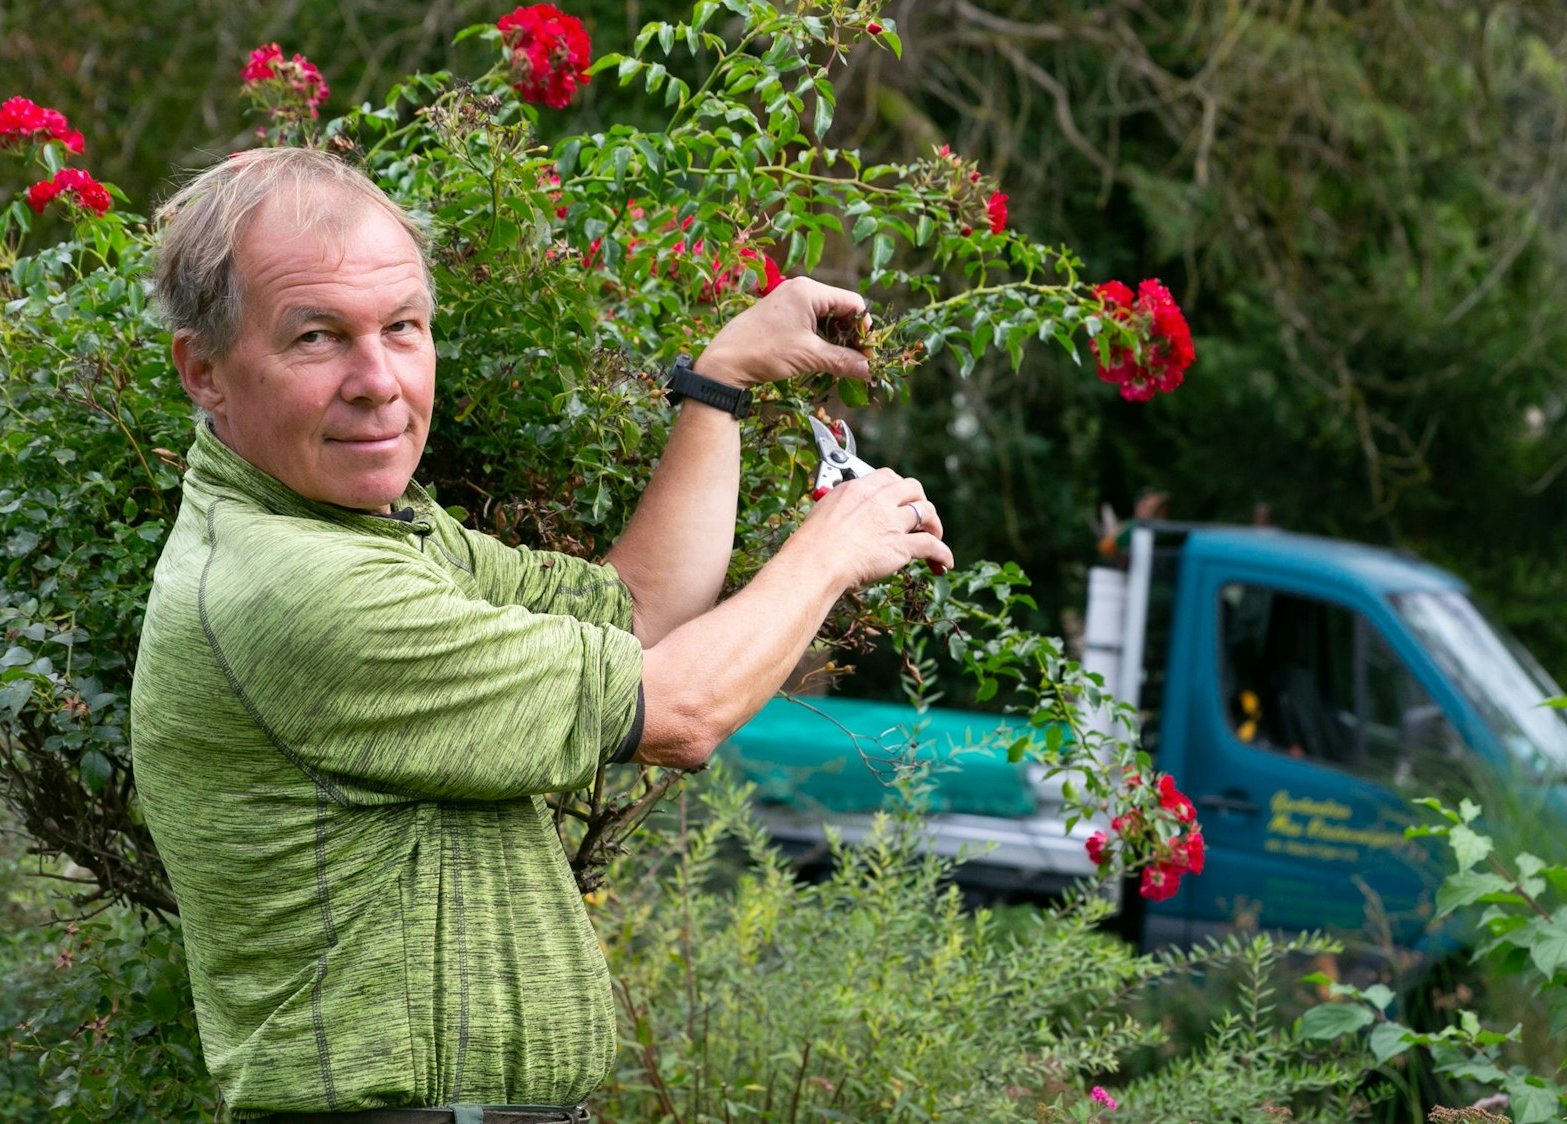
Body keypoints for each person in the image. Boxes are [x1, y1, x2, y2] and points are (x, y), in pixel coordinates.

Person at [129, 147, 952, 1123]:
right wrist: (827, 551)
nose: (378, 379)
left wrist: (721, 380)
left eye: (402, 328)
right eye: (317, 338)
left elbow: (637, 609)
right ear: (205, 371)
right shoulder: (294, 584)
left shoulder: (366, 531)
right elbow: (678, 708)